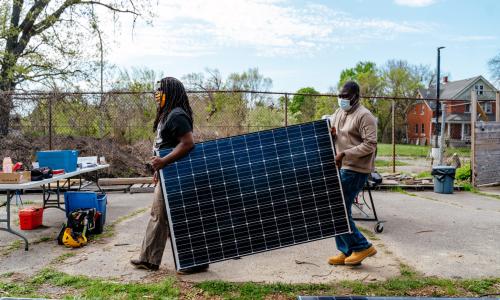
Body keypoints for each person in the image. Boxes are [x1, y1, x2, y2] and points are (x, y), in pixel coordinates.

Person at [130, 77, 209, 273]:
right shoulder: (167, 114)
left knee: (168, 216)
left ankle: (192, 261)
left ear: (171, 92)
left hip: (176, 174)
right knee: (161, 215)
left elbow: (188, 143)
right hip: (167, 173)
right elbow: (164, 146)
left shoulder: (177, 115)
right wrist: (159, 169)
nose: (157, 94)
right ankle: (150, 259)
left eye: (161, 90)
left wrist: (164, 162)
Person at [327, 81, 378, 266]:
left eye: (346, 96)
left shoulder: (365, 116)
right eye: (340, 95)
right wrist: (331, 134)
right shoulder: (339, 113)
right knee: (338, 208)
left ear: (356, 96)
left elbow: (370, 144)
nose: (342, 99)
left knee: (337, 208)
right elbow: (336, 134)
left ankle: (362, 246)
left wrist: (345, 153)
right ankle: (346, 251)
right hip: (342, 166)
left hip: (356, 169)